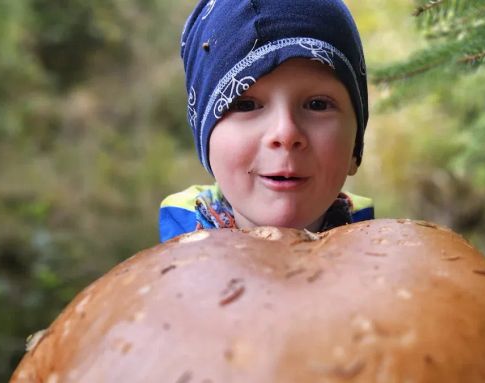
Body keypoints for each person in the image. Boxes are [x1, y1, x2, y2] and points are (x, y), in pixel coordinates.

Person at [159, 0, 374, 243]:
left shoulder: (392, 256)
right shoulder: (170, 270)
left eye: (317, 105)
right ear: (206, 142)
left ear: (355, 145)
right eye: (246, 105)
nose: (286, 132)